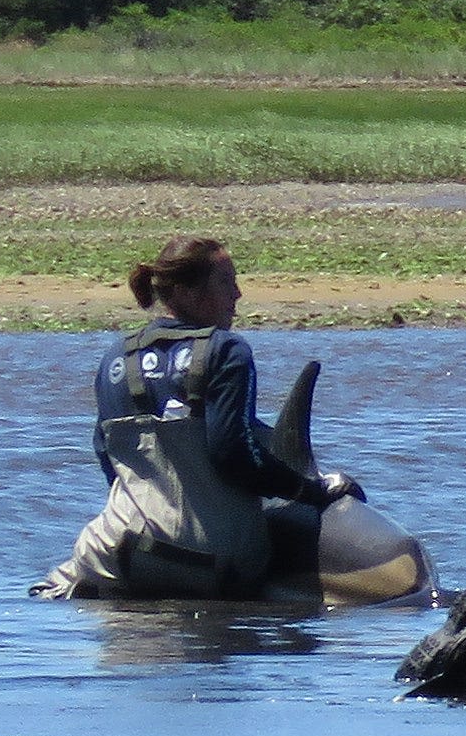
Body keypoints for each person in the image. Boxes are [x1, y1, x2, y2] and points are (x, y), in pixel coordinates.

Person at [41, 236, 358, 600]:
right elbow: (232, 452)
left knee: (53, 589)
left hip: (121, 549)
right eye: (226, 282)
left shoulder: (115, 358)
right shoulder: (226, 350)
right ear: (185, 292)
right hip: (212, 560)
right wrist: (308, 491)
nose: (237, 294)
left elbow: (107, 457)